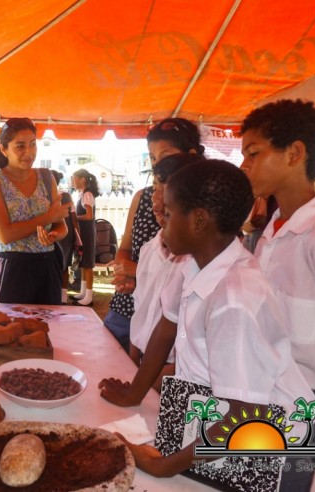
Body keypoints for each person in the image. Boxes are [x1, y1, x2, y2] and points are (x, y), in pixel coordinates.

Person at [123, 160, 315, 490]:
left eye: (168, 215)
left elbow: (247, 417)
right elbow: (167, 326)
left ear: (198, 221)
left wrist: (164, 466)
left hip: (258, 447)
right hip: (210, 427)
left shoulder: (233, 299)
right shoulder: (192, 265)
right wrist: (133, 394)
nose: (162, 225)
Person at [240, 99, 315, 473]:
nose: (245, 165)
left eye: (253, 153)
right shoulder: (272, 229)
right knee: (255, 476)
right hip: (263, 388)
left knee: (290, 483)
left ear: (295, 154)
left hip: (309, 399)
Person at [98, 153, 201, 406]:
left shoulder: (198, 261)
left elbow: (184, 349)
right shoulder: (150, 250)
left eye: (165, 190)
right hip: (147, 370)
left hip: (177, 379)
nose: (156, 199)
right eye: (155, 188)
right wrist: (132, 367)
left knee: (166, 442)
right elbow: (141, 315)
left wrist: (141, 389)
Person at [104, 117, 205, 352]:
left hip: (169, 328)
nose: (157, 163)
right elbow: (125, 248)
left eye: (165, 155)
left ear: (190, 155)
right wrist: (128, 274)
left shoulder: (202, 210)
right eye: (152, 157)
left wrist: (137, 271)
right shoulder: (143, 199)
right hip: (129, 310)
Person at [0, 117, 69, 305]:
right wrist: (47, 217)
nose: (28, 152)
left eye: (33, 144)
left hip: (48, 265)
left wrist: (54, 235)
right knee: (8, 327)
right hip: (13, 267)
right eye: (20, 146)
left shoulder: (46, 176)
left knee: (49, 327)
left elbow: (61, 226)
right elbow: (5, 235)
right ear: (4, 149)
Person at [69, 168, 100, 306]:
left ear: (82, 179)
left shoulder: (87, 194)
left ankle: (89, 296)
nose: (72, 181)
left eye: (74, 178)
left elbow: (89, 215)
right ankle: (83, 292)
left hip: (87, 232)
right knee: (82, 262)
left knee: (88, 264)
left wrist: (75, 217)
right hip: (83, 232)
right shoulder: (82, 194)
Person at [51, 170, 80, 304]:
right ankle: (63, 297)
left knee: (52, 265)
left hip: (51, 234)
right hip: (67, 234)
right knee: (65, 265)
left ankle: (54, 294)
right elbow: (73, 218)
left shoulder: (45, 196)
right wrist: (77, 234)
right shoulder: (66, 196)